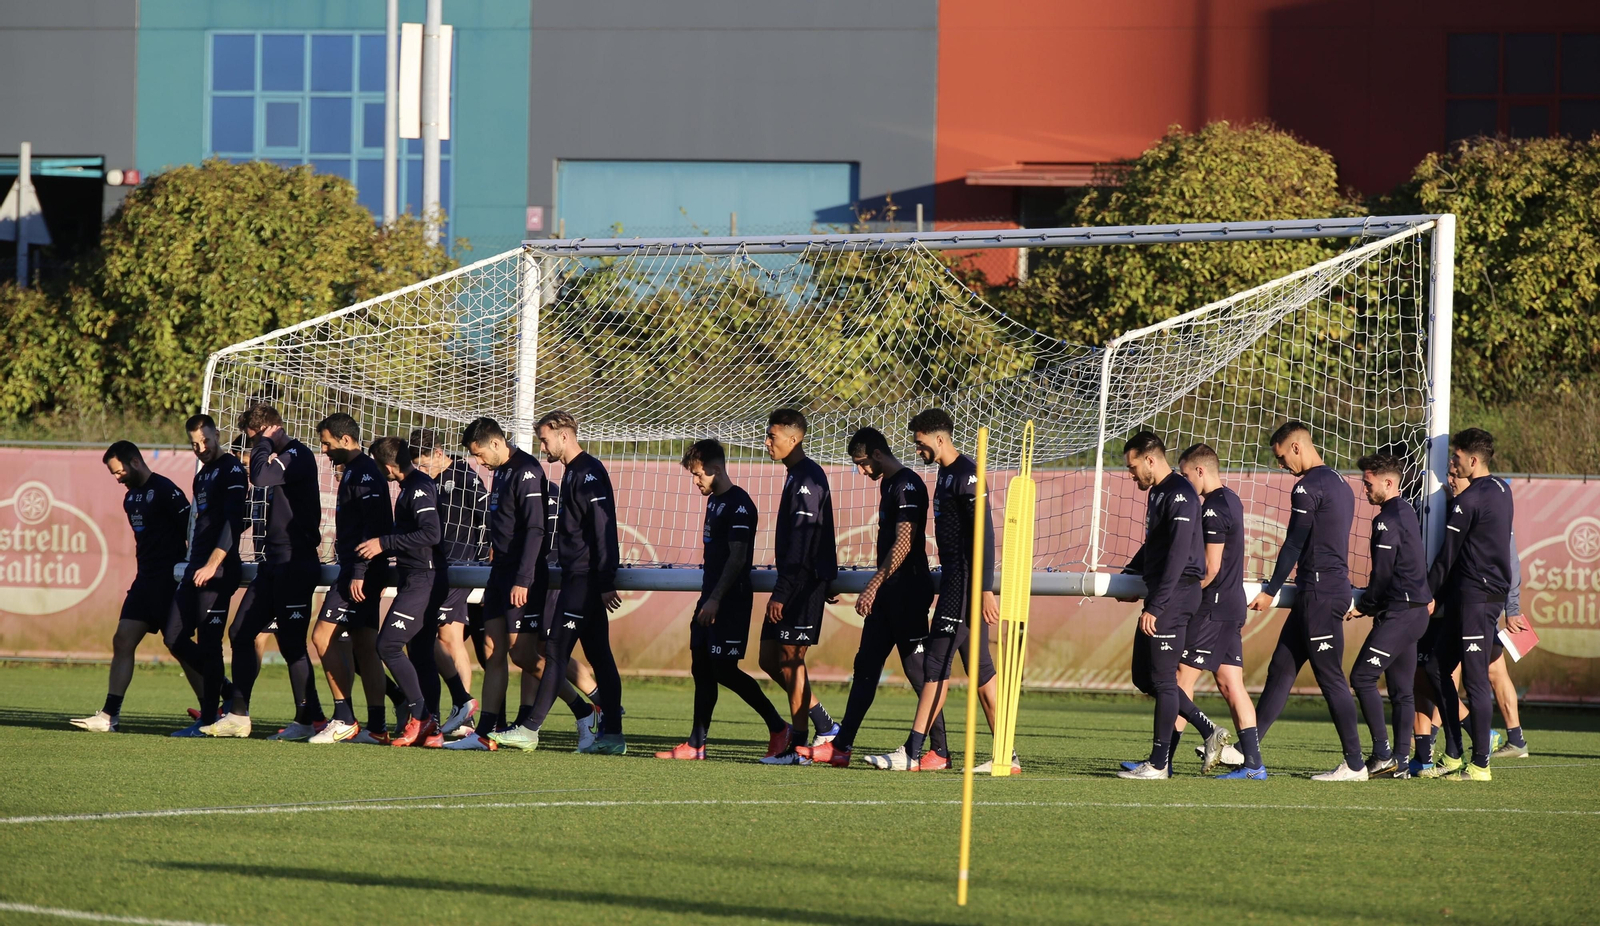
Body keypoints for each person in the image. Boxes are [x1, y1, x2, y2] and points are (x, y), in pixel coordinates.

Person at [867, 409, 1000, 773]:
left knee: (935, 665)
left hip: (965, 583)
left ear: (938, 438)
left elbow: (984, 536)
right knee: (982, 670)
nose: (917, 448)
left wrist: (985, 589)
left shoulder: (967, 474)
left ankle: (913, 750)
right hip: (957, 579)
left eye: (920, 441)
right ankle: (1006, 754)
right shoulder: (944, 474)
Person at [489, 410, 626, 754]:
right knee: (599, 655)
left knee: (555, 651)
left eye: (544, 438)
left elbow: (603, 529)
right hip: (577, 577)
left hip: (585, 580)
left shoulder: (589, 473)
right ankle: (613, 734)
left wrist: (606, 579)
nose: (542, 445)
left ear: (564, 436)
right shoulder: (572, 473)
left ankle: (531, 728)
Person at [808, 428, 937, 769]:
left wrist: (873, 583)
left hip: (907, 590)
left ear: (877, 455)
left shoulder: (908, 484)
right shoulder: (887, 485)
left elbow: (906, 543)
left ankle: (939, 750)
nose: (862, 472)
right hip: (889, 593)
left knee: (917, 671)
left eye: (862, 464)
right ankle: (842, 747)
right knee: (865, 665)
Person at [656, 439, 790, 760]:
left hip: (729, 601)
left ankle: (778, 727)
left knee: (724, 670)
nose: (695, 480)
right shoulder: (713, 501)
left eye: (699, 474)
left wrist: (715, 600)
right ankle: (696, 744)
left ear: (716, 470)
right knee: (701, 668)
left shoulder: (739, 504)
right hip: (710, 598)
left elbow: (737, 558)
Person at [1247, 421, 1367, 781]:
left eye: (1282, 457)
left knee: (1330, 678)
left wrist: (1270, 590)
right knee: (1280, 670)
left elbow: (1294, 544)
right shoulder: (1339, 482)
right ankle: (1247, 748)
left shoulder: (1307, 487)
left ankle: (1356, 763)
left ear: (1296, 448)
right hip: (1316, 592)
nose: (1281, 465)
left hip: (1319, 593)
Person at [214, 404, 326, 740]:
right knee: (240, 631)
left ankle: (307, 719)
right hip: (272, 562)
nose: (251, 449)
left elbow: (259, 476)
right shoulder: (281, 455)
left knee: (292, 644)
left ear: (265, 430)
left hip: (296, 562)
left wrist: (262, 443)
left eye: (252, 440)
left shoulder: (296, 453)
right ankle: (238, 714)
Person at [72, 442, 197, 733]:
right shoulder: (131, 498)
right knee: (123, 640)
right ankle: (109, 716)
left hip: (170, 581)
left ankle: (220, 701)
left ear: (135, 462)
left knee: (180, 646)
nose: (117, 478)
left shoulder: (166, 490)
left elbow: (191, 531)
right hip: (145, 581)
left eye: (119, 471)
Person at [446, 417, 550, 751]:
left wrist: (523, 579)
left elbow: (535, 530)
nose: (478, 463)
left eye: (479, 455)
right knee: (492, 652)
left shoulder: (528, 470)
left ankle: (586, 709)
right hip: (499, 573)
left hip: (521, 577)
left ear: (495, 443)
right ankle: (485, 732)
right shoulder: (502, 471)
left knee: (524, 655)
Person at [1421, 428, 1514, 781]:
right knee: (1434, 668)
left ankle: (1480, 764)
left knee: (1475, 680)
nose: (1451, 464)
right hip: (1470, 595)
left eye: (1456, 458)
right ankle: (1455, 754)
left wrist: (1426, 595)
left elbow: (1447, 558)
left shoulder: (1469, 500)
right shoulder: (1503, 488)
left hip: (1479, 598)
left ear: (1473, 461)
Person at [1171, 443, 1266, 779]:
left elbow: (1210, 569)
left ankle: (1162, 760)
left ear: (1200, 471)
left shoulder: (1212, 508)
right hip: (1231, 604)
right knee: (1230, 683)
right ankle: (1254, 764)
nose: (1184, 483)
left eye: (1185, 475)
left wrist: (1176, 594)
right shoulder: (1231, 498)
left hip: (1214, 606)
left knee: (1178, 678)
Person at [1116, 432, 1206, 780]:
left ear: (1150, 460)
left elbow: (1178, 556)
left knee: (1165, 679)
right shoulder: (1157, 493)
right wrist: (1130, 574)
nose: (1131, 474)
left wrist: (1156, 605)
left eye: (1133, 466)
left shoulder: (1182, 494)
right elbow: (1154, 546)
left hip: (1177, 593)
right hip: (1164, 595)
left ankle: (1157, 764)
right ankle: (1208, 730)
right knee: (1144, 676)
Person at [308, 414, 397, 744]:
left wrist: (358, 571)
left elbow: (373, 526)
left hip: (360, 572)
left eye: (328, 443)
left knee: (321, 637)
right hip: (361, 570)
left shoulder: (364, 472)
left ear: (346, 441)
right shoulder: (356, 471)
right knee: (364, 647)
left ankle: (344, 717)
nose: (325, 450)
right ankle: (377, 727)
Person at [758, 408, 840, 765]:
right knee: (769, 659)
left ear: (795, 438)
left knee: (791, 662)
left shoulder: (808, 478)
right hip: (792, 582)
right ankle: (825, 724)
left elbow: (805, 542)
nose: (766, 442)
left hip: (801, 585)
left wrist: (783, 591)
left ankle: (799, 748)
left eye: (772, 436)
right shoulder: (795, 475)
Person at [1345, 451, 1432, 779]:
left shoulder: (1386, 519)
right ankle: (1400, 761)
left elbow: (1381, 577)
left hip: (1401, 613)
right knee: (1401, 689)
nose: (1364, 488)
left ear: (1388, 482)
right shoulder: (1405, 510)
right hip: (1413, 612)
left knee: (1362, 677)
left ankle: (1382, 753)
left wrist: (1363, 606)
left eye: (1368, 483)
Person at [356, 437, 445, 746]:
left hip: (424, 579)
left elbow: (431, 533)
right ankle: (430, 727)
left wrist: (384, 543)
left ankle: (422, 716)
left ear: (389, 467)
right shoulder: (409, 487)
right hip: (415, 577)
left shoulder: (418, 487)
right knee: (421, 653)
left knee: (388, 645)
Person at [172, 415, 250, 736]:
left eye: (205, 440)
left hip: (217, 572)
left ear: (217, 435)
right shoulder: (202, 476)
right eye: (194, 444)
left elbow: (234, 521)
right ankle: (227, 693)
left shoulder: (232, 469)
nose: (201, 447)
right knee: (172, 635)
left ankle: (207, 719)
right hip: (197, 568)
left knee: (209, 644)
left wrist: (214, 563)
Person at [411, 427, 488, 736]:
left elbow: (485, 518)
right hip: (435, 569)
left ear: (439, 454)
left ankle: (463, 714)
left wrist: (481, 560)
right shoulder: (428, 482)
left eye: (424, 463)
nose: (421, 469)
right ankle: (446, 710)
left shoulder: (466, 478)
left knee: (448, 637)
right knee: (431, 639)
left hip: (459, 568)